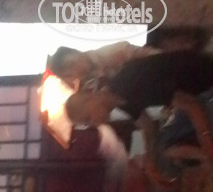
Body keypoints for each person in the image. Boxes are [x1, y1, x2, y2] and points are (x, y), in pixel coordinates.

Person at [64, 50, 213, 184]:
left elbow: (192, 105)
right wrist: (149, 163)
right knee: (170, 148)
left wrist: (206, 141)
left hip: (206, 83)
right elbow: (148, 127)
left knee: (175, 147)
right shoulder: (118, 98)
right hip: (197, 94)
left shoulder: (129, 83)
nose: (95, 123)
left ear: (89, 98)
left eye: (88, 118)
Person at [48, 42, 160, 91]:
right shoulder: (91, 82)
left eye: (71, 65)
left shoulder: (111, 53)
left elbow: (155, 56)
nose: (76, 75)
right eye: (70, 76)